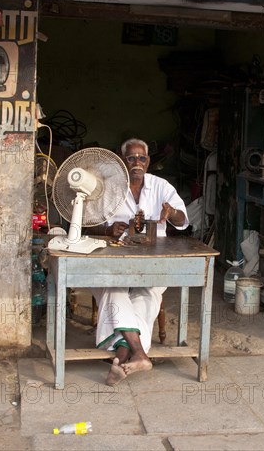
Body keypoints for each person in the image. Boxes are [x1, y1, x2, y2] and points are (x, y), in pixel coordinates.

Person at [92, 138, 189, 385]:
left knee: (147, 297)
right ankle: (139, 355)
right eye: (131, 158)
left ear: (148, 162)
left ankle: (125, 357)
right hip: (116, 260)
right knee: (114, 290)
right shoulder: (108, 188)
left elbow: (182, 220)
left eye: (141, 158)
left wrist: (172, 213)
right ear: (122, 161)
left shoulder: (161, 186)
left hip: (153, 262)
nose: (137, 163)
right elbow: (89, 222)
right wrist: (107, 229)